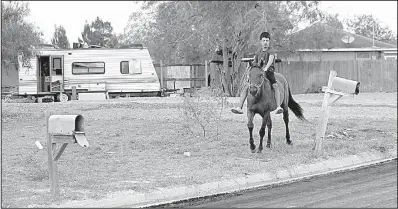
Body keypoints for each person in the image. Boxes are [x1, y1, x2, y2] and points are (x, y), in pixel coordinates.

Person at [231, 31, 283, 115]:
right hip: (259, 72)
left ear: (269, 41)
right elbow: (255, 61)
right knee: (246, 87)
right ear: (261, 42)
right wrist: (251, 69)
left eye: (267, 40)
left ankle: (278, 107)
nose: (265, 42)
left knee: (275, 86)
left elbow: (270, 61)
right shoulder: (259, 51)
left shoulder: (271, 51)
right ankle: (239, 107)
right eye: (264, 40)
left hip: (268, 71)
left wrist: (265, 68)